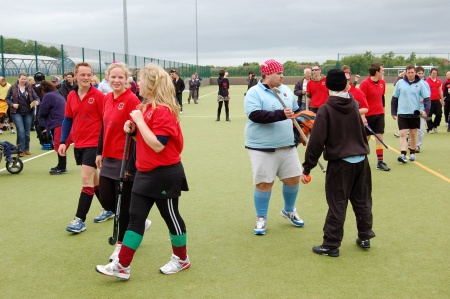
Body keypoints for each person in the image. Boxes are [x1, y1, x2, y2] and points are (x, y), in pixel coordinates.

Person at [96, 64, 190, 279]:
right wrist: (134, 131)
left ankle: (182, 259)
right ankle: (122, 266)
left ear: (151, 83)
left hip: (165, 174)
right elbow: (145, 142)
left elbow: (158, 145)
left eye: (140, 80)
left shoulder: (164, 111)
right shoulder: (146, 108)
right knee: (135, 218)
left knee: (171, 217)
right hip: (144, 172)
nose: (136, 84)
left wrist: (138, 122)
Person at [301, 68, 375, 257]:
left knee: (337, 203)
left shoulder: (326, 109)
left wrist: (307, 167)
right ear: (346, 84)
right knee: (362, 200)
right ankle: (365, 235)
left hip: (340, 164)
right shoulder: (354, 104)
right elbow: (362, 132)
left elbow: (316, 142)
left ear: (327, 88)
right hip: (361, 162)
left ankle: (331, 244)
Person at [95, 62, 152, 262]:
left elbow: (136, 132)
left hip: (126, 158)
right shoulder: (107, 98)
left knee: (124, 206)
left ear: (127, 79)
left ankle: (120, 246)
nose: (117, 81)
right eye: (113, 77)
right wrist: (99, 151)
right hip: (108, 157)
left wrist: (131, 163)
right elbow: (104, 126)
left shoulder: (131, 100)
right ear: (107, 78)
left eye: (121, 77)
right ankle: (141, 223)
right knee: (107, 200)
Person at [244, 59, 304, 235]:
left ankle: (289, 210)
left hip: (287, 145)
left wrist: (300, 126)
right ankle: (261, 217)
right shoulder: (253, 93)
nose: (282, 76)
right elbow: (255, 115)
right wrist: (281, 114)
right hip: (262, 148)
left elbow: (295, 110)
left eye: (282, 72)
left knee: (293, 178)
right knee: (264, 183)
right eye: (279, 73)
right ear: (267, 74)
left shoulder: (285, 90)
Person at [58, 62, 114, 233]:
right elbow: (68, 119)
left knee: (85, 180)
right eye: (82, 75)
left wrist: (104, 145)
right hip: (79, 143)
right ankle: (109, 209)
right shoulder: (71, 96)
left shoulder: (98, 96)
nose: (86, 78)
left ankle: (79, 220)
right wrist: (63, 141)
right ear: (75, 76)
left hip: (94, 144)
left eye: (89, 75)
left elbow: (107, 121)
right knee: (94, 179)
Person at [391, 65, 431, 163]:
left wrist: (426, 110)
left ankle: (412, 153)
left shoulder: (421, 84)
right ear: (406, 73)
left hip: (414, 113)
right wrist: (393, 111)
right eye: (408, 72)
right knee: (403, 133)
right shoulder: (400, 83)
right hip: (402, 113)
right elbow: (394, 98)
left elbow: (427, 98)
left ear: (415, 73)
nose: (410, 74)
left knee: (413, 134)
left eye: (412, 72)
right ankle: (403, 154)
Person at [359, 62, 390, 171]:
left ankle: (380, 162)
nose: (383, 72)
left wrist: (383, 111)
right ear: (377, 72)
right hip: (368, 115)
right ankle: (360, 160)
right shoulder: (365, 84)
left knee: (379, 136)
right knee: (365, 139)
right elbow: (360, 101)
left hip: (379, 115)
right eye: (382, 70)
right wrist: (363, 116)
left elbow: (382, 98)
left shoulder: (382, 82)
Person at [38, 80, 73, 174]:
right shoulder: (56, 94)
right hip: (62, 121)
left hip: (58, 122)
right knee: (60, 144)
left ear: (43, 88)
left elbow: (42, 111)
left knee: (59, 144)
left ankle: (62, 167)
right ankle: (61, 165)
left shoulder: (48, 96)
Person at [5, 72, 40, 156]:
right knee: (21, 131)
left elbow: (37, 98)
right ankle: (20, 150)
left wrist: (37, 102)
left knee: (27, 132)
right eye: (22, 79)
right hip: (16, 113)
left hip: (28, 112)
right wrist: (12, 104)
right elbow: (7, 99)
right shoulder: (13, 88)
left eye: (25, 79)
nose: (23, 80)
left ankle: (26, 148)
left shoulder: (30, 88)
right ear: (18, 79)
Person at [415, 67, 431, 151]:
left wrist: (423, 100)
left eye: (422, 73)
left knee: (421, 129)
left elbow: (428, 96)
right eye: (419, 73)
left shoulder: (425, 84)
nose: (420, 75)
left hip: (422, 109)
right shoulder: (412, 83)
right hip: (412, 109)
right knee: (412, 128)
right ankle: (411, 142)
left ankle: (418, 145)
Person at [425, 68, 444, 133]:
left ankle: (435, 126)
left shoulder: (438, 81)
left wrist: (442, 99)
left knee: (439, 114)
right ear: (430, 73)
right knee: (428, 115)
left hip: (437, 100)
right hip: (429, 101)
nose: (434, 74)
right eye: (433, 73)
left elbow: (440, 90)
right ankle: (430, 128)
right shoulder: (427, 81)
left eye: (435, 73)